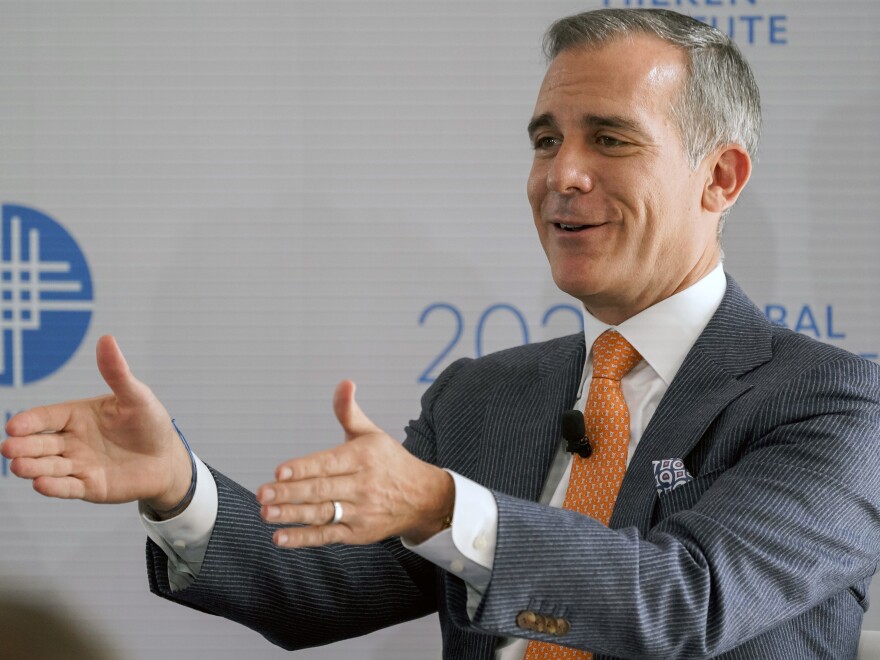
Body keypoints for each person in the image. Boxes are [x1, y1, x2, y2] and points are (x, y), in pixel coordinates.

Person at [3, 8, 880, 659]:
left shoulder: (832, 402)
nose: (561, 176)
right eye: (545, 140)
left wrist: (441, 505)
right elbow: (319, 591)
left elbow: (690, 601)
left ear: (720, 177)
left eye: (610, 139)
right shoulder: (486, 398)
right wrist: (176, 487)